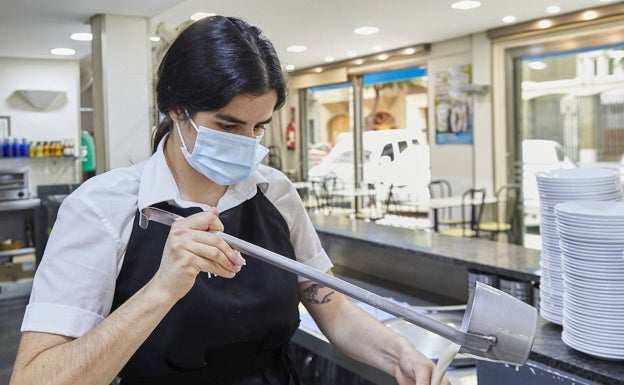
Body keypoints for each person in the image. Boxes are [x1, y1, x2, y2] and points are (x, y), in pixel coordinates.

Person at [10, 16, 451, 385]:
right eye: (228, 125)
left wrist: (401, 357)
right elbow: (35, 377)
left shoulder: (274, 191)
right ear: (176, 110)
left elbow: (330, 303)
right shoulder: (102, 209)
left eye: (259, 127)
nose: (247, 142)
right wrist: (161, 290)